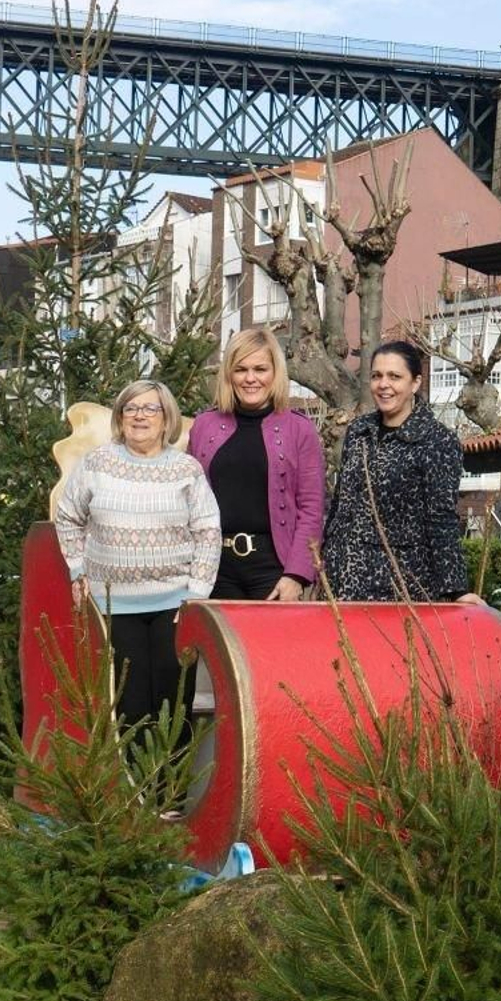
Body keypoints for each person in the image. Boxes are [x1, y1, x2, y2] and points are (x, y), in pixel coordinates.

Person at [55, 379, 220, 767]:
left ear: (167, 419)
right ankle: (135, 804)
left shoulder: (186, 469)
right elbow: (67, 517)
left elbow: (208, 532)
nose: (139, 416)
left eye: (150, 409)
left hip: (174, 605)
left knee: (172, 706)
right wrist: (78, 569)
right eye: (131, 408)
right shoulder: (97, 463)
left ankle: (172, 800)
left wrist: (196, 594)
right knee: (127, 708)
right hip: (113, 606)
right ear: (120, 416)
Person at [323, 339, 483, 604]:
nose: (383, 384)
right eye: (376, 376)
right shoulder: (358, 432)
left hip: (399, 588)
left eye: (394, 377)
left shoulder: (437, 441)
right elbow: (341, 505)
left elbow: (441, 518)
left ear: (415, 383)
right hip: (341, 583)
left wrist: (456, 589)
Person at [187, 329, 325, 600]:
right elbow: (186, 500)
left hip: (274, 569)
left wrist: (296, 574)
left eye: (260, 369)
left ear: (275, 373)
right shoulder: (204, 425)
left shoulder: (300, 429)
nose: (250, 378)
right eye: (241, 369)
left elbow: (312, 508)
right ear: (229, 375)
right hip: (212, 567)